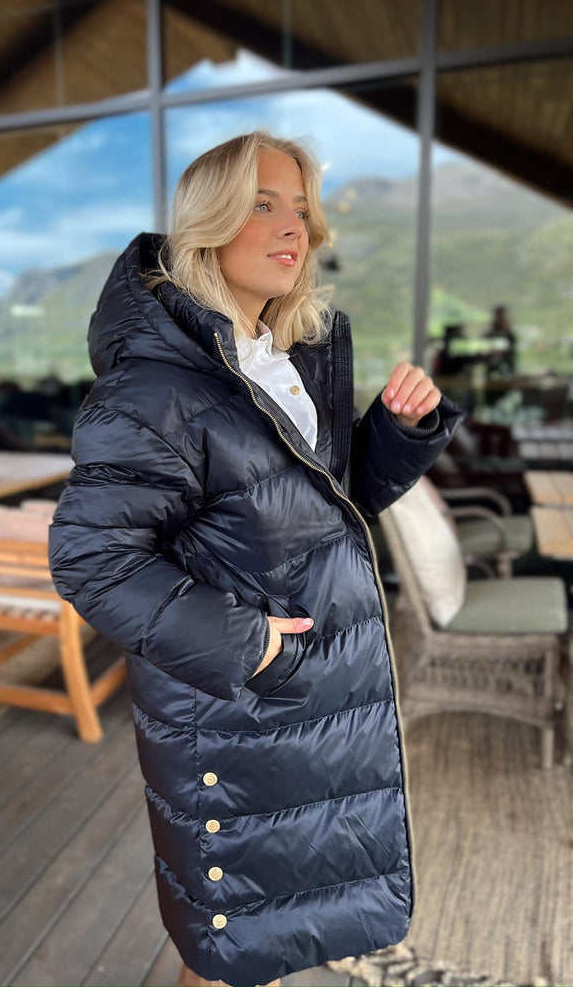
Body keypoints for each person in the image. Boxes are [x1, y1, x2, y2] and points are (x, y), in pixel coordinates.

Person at [49, 132, 462, 987]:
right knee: (236, 945)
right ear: (209, 223)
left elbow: (324, 510)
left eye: (302, 210)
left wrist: (396, 433)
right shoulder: (156, 387)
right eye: (263, 204)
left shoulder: (282, 358)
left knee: (272, 933)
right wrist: (249, 645)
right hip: (237, 711)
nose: (293, 228)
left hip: (307, 706)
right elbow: (93, 559)